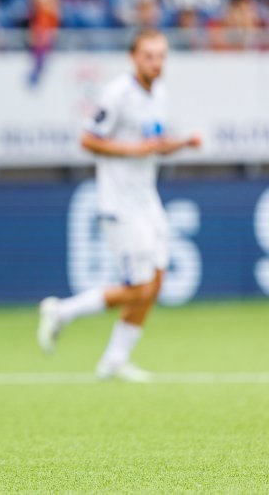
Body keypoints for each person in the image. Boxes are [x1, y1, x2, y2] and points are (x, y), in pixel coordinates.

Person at [38, 29, 201, 382]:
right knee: (139, 286)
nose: (156, 63)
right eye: (149, 56)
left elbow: (152, 143)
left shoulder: (158, 92)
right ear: (133, 57)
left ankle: (115, 360)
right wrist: (134, 150)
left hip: (148, 199)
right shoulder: (117, 94)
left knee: (156, 282)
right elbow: (87, 139)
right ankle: (62, 311)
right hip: (120, 203)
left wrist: (183, 143)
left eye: (161, 56)